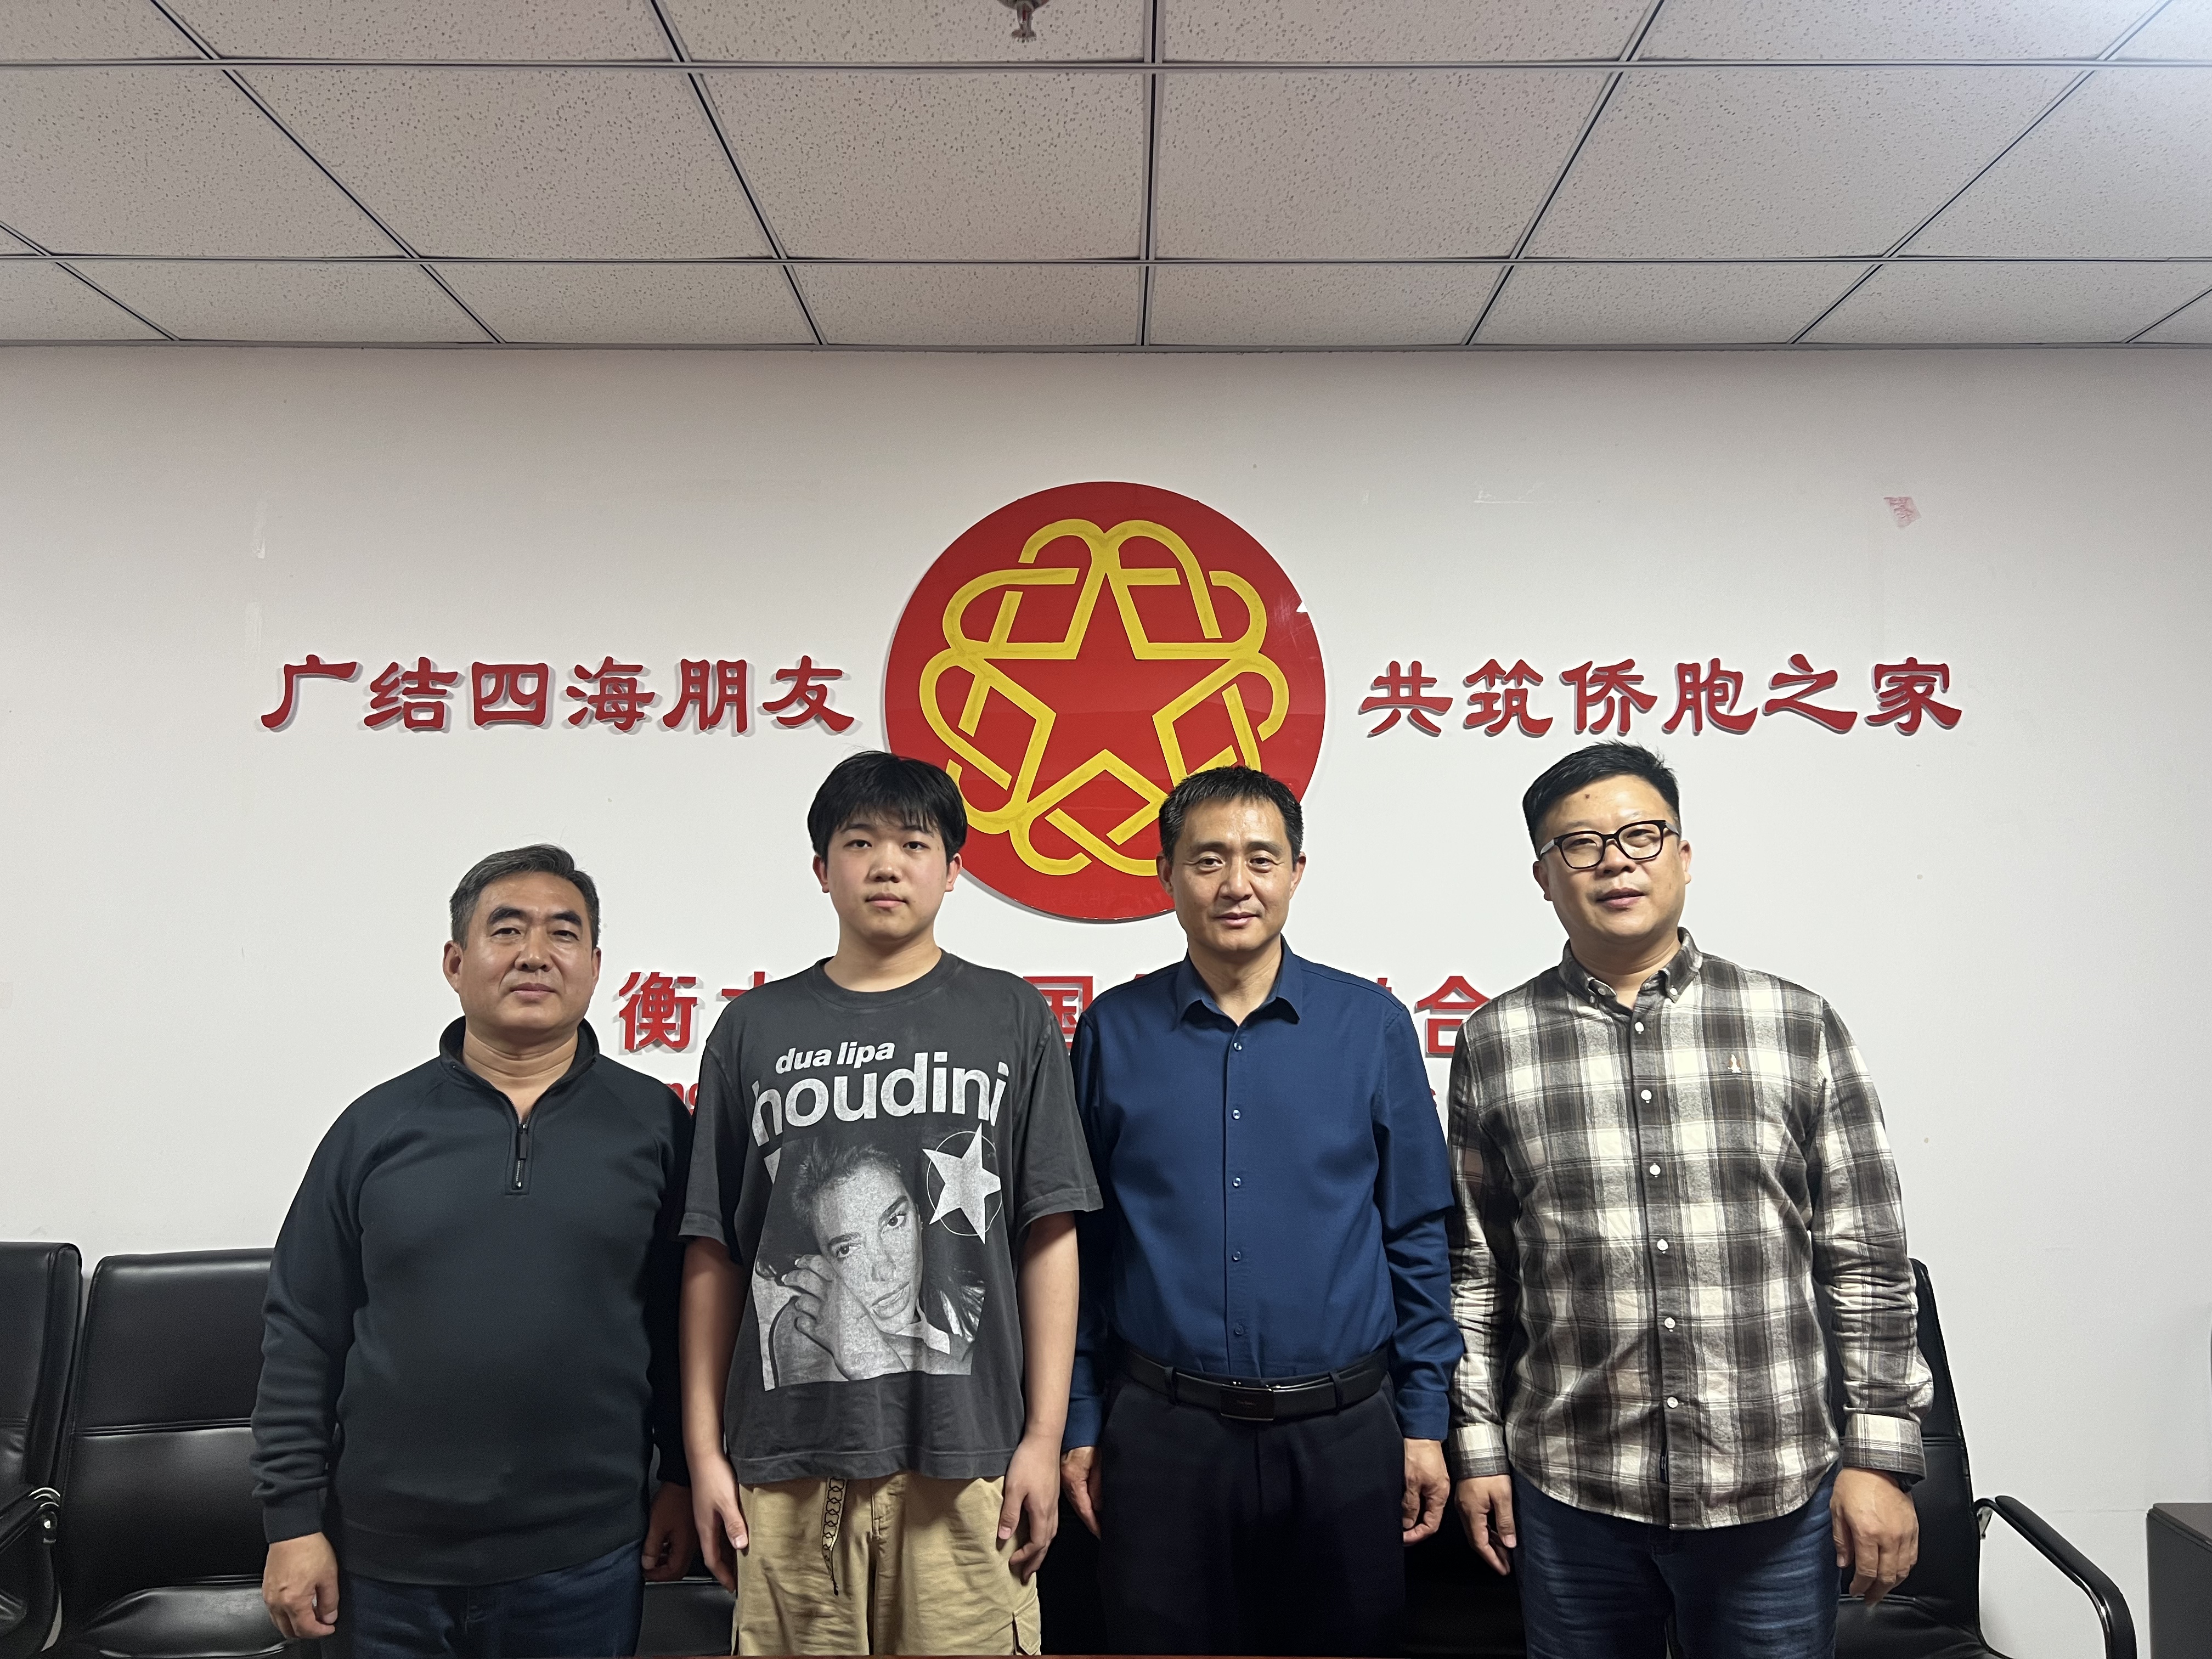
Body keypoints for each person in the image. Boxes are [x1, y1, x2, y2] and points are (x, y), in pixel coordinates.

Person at [1447, 741, 1931, 1658]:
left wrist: (1878, 1457)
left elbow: (1865, 1257)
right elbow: (1477, 1273)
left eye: (1641, 835)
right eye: (1581, 845)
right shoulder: (1496, 1041)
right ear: (1544, 878)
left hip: (1773, 1491)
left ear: (1684, 855)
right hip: (1572, 1488)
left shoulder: (1795, 1024)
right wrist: (1477, 1447)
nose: (1616, 863)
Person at [680, 752, 1099, 1656]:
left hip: (968, 1464)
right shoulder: (753, 1029)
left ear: (952, 870)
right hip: (786, 1471)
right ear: (821, 867)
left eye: (914, 843)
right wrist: (703, 1454)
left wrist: (1043, 1435)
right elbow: (715, 1249)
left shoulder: (1012, 1017)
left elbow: (1049, 1233)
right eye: (859, 842)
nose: (886, 865)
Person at [252, 845, 696, 1659]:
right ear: (456, 964)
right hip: (384, 1564)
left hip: (584, 1558)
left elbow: (684, 1326)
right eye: (507, 930)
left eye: (563, 933)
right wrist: (292, 1523)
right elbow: (302, 1330)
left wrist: (681, 1479)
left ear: (597, 967)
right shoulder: (374, 1128)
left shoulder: (658, 1127)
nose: (535, 954)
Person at [1059, 765, 1462, 1657]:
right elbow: (1084, 1246)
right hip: (1162, 1432)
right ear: (1166, 875)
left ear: (1297, 872)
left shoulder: (1371, 1025)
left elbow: (1416, 1236)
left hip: (1345, 1433)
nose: (1235, 884)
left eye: (1260, 859)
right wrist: (1081, 1419)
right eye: (1208, 860)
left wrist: (1426, 1419)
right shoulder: (1113, 1032)